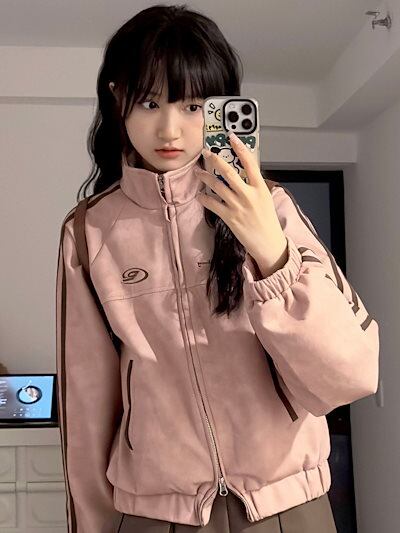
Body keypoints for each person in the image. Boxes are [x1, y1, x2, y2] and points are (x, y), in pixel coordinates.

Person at [55, 4, 380, 533]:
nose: (169, 129)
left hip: (286, 507)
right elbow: (87, 405)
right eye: (149, 102)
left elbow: (351, 374)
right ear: (117, 99)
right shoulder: (89, 232)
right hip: (156, 514)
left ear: (220, 109)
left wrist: (271, 252)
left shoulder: (271, 206)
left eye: (192, 106)